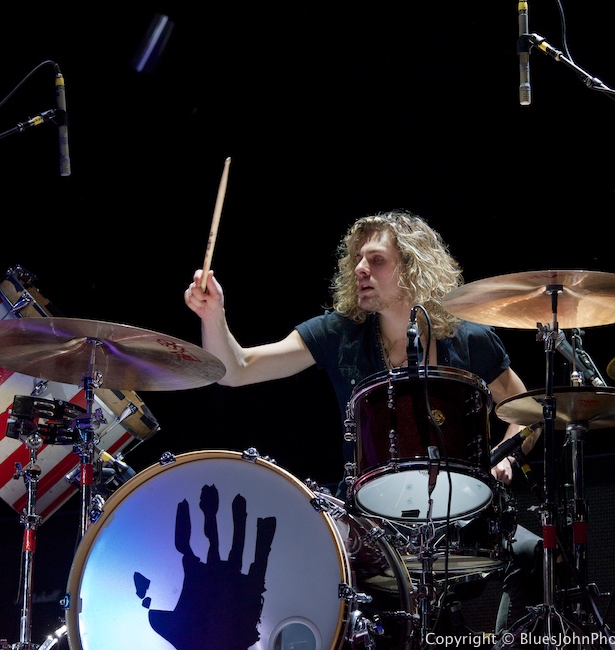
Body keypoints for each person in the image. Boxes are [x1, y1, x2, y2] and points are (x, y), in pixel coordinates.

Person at [184, 208, 542, 641]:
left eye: (376, 259)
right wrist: (212, 315)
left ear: (412, 266)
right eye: (357, 259)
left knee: (538, 557)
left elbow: (528, 412)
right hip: (366, 521)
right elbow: (236, 368)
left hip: (458, 515)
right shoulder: (340, 333)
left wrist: (502, 459)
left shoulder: (469, 339)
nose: (360, 268)